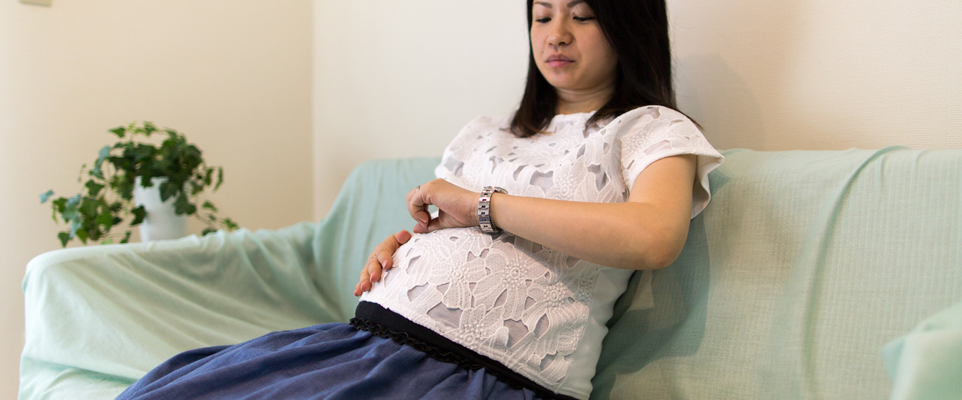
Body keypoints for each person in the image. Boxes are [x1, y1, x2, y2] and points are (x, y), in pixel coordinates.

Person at [117, 0, 723, 399]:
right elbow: (449, 226)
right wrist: (405, 246)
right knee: (177, 387)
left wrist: (481, 204)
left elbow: (654, 236)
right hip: (369, 342)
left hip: (482, 376)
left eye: (582, 15)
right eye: (541, 16)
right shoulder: (488, 132)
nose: (556, 33)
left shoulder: (650, 129)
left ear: (628, 23)